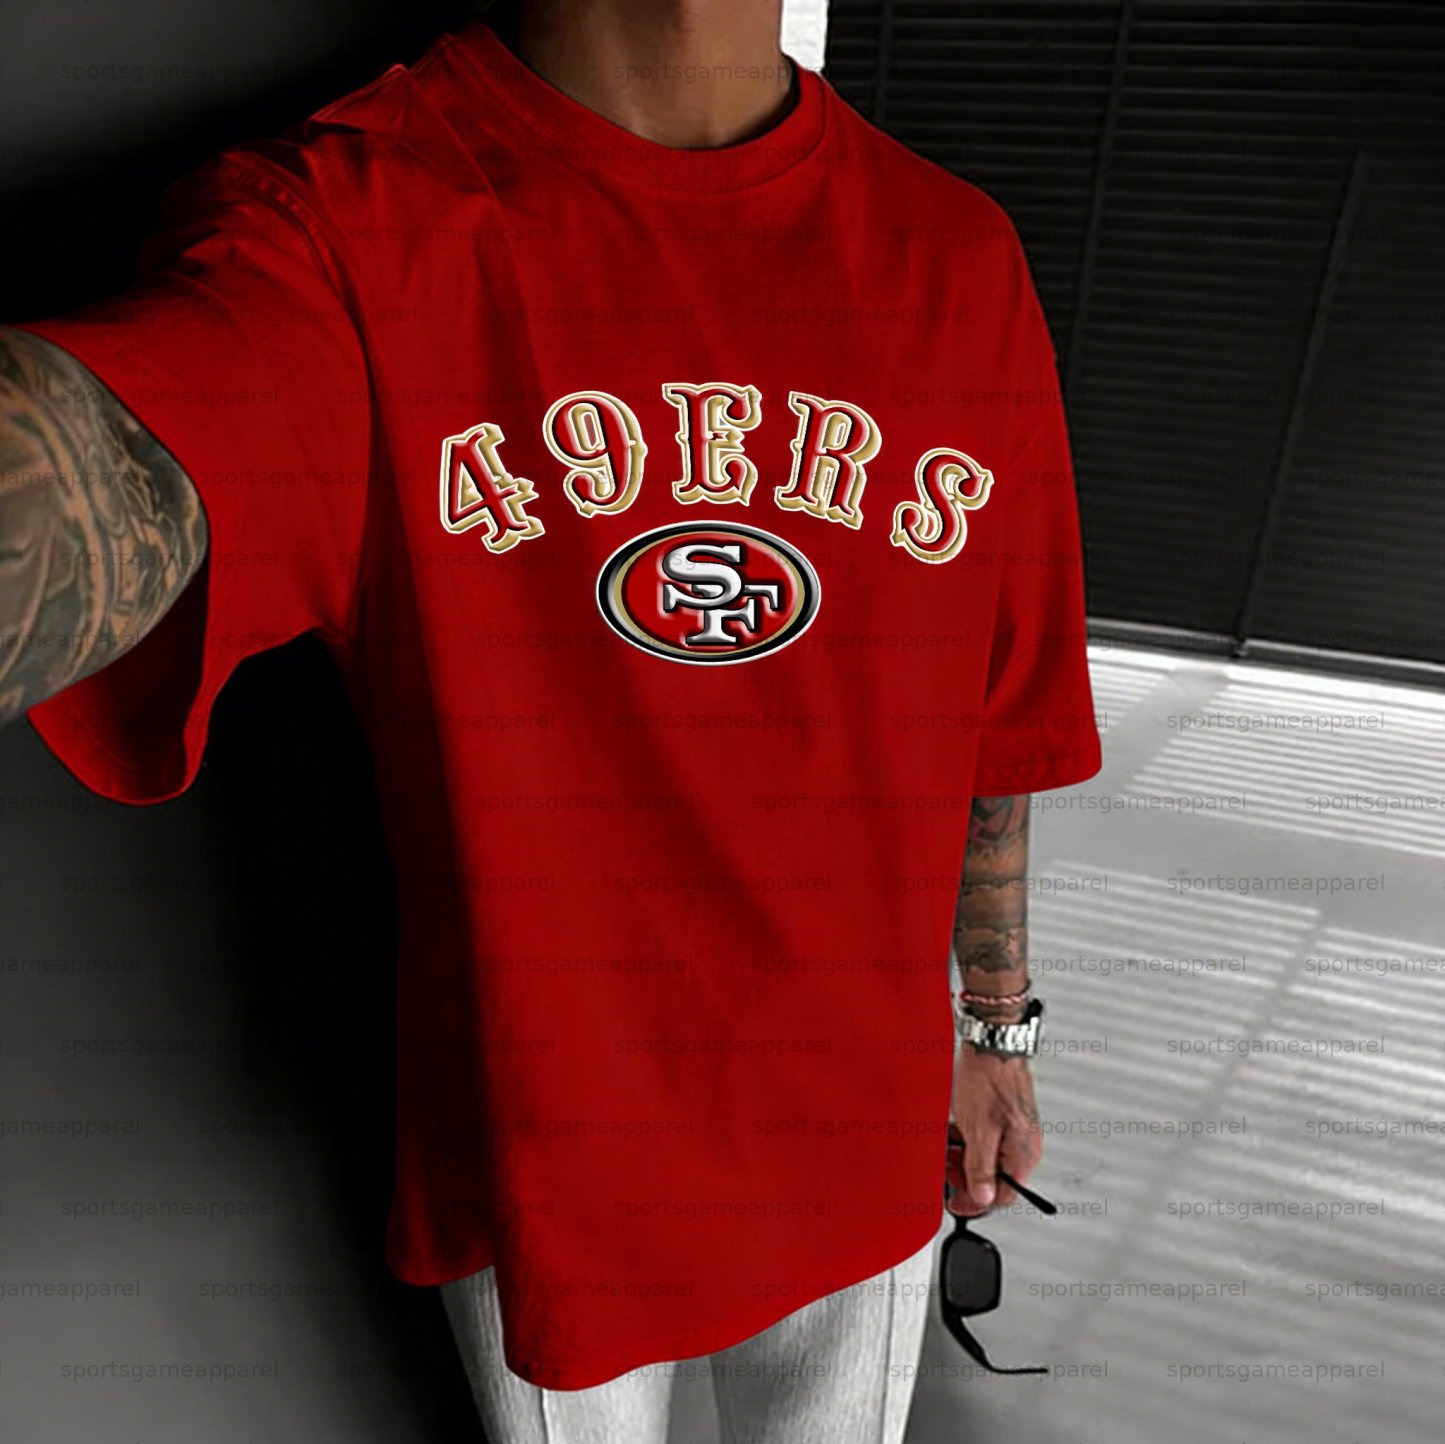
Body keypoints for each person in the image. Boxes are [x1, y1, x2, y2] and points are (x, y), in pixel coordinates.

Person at [0, 0, 1103, 1438]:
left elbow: (996, 726)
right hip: (555, 1165)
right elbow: (91, 467)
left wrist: (996, 1031)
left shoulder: (955, 257)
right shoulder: (351, 230)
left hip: (864, 1129)